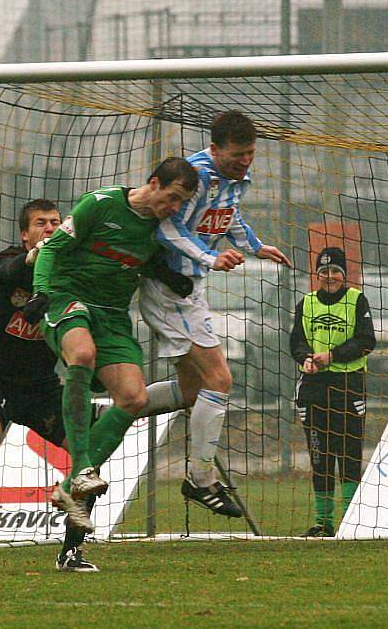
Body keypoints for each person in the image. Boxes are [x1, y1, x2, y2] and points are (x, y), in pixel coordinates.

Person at [24, 157, 199, 532]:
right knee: (82, 354)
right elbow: (52, 250)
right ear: (153, 183)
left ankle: (70, 487)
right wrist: (40, 293)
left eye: (180, 203)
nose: (172, 208)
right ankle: (84, 467)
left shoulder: (162, 230)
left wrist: (168, 275)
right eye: (170, 198)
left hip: (114, 316)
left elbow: (139, 260)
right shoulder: (100, 204)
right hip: (67, 297)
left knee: (134, 398)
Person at [138, 110, 291, 517]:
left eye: (251, 153)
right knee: (220, 380)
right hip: (170, 290)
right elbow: (165, 229)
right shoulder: (196, 175)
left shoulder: (234, 180)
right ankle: (200, 480)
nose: (245, 160)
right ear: (216, 148)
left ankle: (124, 405)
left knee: (193, 391)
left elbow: (229, 216)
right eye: (238, 154)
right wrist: (209, 255)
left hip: (191, 290)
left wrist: (256, 245)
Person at [0, 199, 98, 575]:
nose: (50, 228)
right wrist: (38, 256)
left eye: (56, 222)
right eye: (41, 223)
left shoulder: (69, 275)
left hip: (41, 388)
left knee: (89, 453)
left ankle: (71, 552)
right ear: (25, 233)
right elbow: (10, 271)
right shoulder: (8, 262)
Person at [289, 246, 376, 537]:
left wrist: (332, 356)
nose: (330, 277)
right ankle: (323, 522)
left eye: (335, 271)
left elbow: (366, 341)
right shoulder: (307, 303)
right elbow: (297, 341)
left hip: (348, 386)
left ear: (343, 274)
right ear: (317, 275)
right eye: (324, 272)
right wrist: (305, 359)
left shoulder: (356, 301)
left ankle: (351, 521)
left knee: (349, 455)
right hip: (314, 389)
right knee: (320, 456)